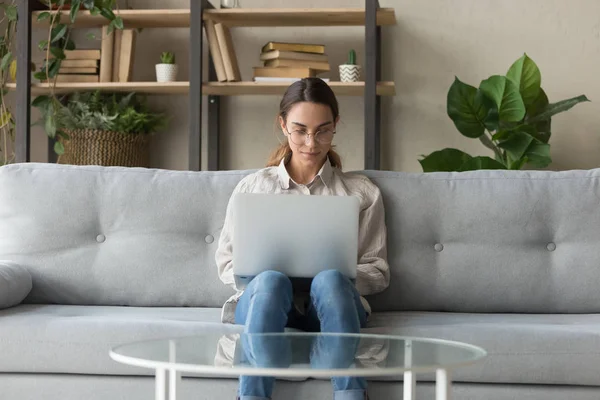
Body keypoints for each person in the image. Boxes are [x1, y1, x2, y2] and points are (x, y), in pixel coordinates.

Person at [215, 77, 390, 400]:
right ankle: (251, 396)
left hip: (332, 304)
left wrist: (334, 278)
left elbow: (377, 270)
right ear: (283, 125)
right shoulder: (253, 188)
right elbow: (227, 262)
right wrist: (266, 274)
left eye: (323, 130)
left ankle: (351, 395)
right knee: (269, 282)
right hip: (266, 302)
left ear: (336, 125)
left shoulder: (361, 193)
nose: (311, 142)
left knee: (331, 282)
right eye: (300, 130)